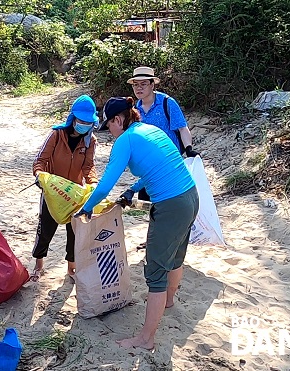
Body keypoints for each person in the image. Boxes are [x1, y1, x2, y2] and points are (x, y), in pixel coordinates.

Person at [74, 97, 199, 350]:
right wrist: (133, 189)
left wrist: (85, 209)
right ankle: (169, 302)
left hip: (170, 205)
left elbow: (106, 184)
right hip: (190, 196)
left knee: (155, 271)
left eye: (109, 125)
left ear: (118, 120)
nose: (109, 131)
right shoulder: (151, 130)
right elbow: (160, 166)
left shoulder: (125, 140)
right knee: (175, 257)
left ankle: (146, 339)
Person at [30, 95, 100, 281]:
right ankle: (39, 265)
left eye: (88, 122)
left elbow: (88, 165)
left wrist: (92, 182)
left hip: (75, 193)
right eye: (81, 121)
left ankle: (72, 267)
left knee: (74, 231)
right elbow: (40, 161)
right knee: (45, 227)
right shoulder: (56, 135)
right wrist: (39, 175)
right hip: (53, 192)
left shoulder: (90, 140)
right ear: (73, 118)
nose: (84, 125)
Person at [128, 66, 199, 201]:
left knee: (170, 201)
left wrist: (189, 149)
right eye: (135, 85)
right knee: (148, 206)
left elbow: (182, 128)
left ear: (152, 84)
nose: (139, 88)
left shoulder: (167, 103)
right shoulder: (135, 109)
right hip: (147, 165)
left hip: (170, 162)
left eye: (143, 84)